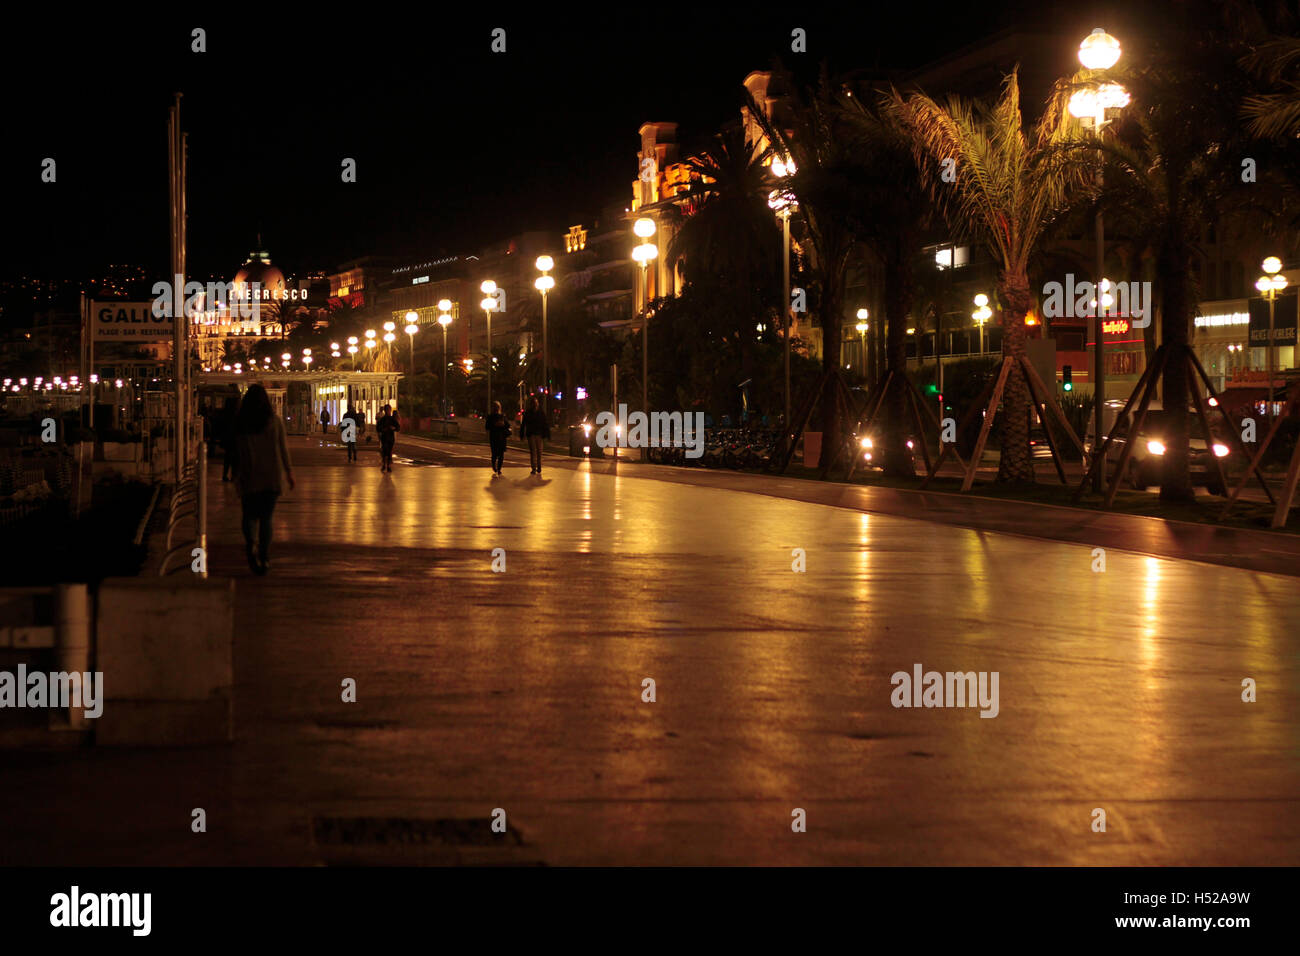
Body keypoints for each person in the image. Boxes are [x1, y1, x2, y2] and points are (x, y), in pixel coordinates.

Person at [233, 383, 294, 575]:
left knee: (249, 514)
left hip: (249, 474)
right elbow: (283, 449)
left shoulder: (241, 422)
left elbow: (236, 452)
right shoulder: (274, 421)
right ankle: (264, 556)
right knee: (267, 518)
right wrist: (289, 473)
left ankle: (251, 543)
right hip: (272, 476)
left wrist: (235, 474)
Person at [520, 396, 550, 474]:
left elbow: (545, 423)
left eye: (536, 403)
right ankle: (534, 468)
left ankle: (538, 467)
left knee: (539, 452)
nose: (536, 405)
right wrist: (522, 434)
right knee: (534, 452)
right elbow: (524, 424)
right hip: (532, 434)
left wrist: (547, 434)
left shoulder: (540, 412)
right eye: (534, 404)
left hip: (538, 434)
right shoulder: (529, 413)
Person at [485, 400, 510, 476]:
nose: (497, 408)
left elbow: (508, 425)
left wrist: (502, 424)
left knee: (501, 454)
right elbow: (487, 426)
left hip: (502, 437)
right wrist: (495, 425)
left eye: (498, 407)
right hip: (494, 437)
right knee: (494, 454)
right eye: (495, 407)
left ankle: (499, 469)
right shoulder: (490, 416)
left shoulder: (503, 416)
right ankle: (494, 466)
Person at [218, 396, 239, 482]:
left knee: (227, 458)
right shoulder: (236, 414)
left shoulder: (225, 414)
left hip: (227, 439)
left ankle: (225, 475)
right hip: (234, 440)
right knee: (234, 459)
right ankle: (233, 476)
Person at [376, 404, 400, 472]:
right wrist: (383, 429)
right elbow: (378, 428)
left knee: (389, 452)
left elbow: (398, 427)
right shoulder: (382, 419)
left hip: (390, 438)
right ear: (385, 411)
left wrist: (393, 428)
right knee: (384, 451)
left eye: (389, 410)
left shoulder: (392, 419)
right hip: (384, 437)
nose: (388, 411)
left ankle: (388, 466)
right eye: (386, 410)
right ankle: (384, 465)